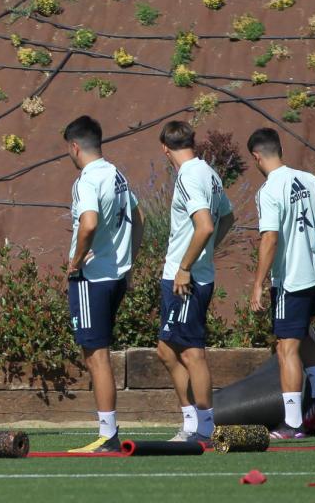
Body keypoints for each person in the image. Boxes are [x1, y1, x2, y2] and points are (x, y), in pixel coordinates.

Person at [246, 128, 315, 439]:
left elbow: (270, 238)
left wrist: (258, 283)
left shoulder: (269, 190)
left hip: (292, 281)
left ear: (257, 156)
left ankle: (294, 423)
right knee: (305, 337)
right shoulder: (308, 179)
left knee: (286, 347)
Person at [62, 116, 143, 453]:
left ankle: (108, 434)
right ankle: (106, 431)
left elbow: (89, 223)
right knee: (99, 352)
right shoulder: (116, 173)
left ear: (74, 146)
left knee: (96, 356)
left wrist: (77, 260)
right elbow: (139, 219)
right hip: (115, 276)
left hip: (91, 278)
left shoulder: (87, 180)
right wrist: (129, 260)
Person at [155, 120, 234, 444]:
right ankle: (191, 422)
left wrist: (186, 266)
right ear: (192, 141)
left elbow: (204, 226)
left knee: (191, 353)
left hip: (185, 278)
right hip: (187, 274)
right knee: (166, 350)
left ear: (164, 148)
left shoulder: (189, 174)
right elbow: (227, 217)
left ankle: (204, 427)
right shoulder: (209, 173)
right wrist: (206, 253)